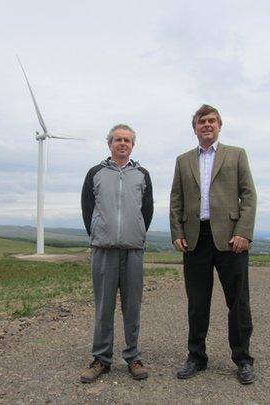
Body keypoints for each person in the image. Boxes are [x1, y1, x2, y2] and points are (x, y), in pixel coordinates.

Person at [170, 104, 257, 384]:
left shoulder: (236, 154)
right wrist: (176, 232)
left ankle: (243, 358)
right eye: (201, 121)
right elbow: (176, 200)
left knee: (238, 302)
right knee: (197, 302)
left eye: (211, 121)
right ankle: (196, 357)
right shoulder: (183, 160)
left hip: (231, 238)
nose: (206, 125)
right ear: (194, 127)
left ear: (219, 126)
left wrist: (244, 231)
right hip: (195, 239)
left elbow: (249, 195)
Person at [80, 124, 153, 383]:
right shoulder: (95, 173)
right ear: (109, 143)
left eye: (127, 140)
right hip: (103, 249)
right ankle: (101, 359)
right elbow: (87, 208)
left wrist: (136, 233)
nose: (123, 143)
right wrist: (102, 232)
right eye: (118, 140)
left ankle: (133, 357)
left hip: (133, 250)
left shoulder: (142, 174)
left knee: (132, 307)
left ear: (133, 145)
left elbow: (147, 210)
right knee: (103, 307)